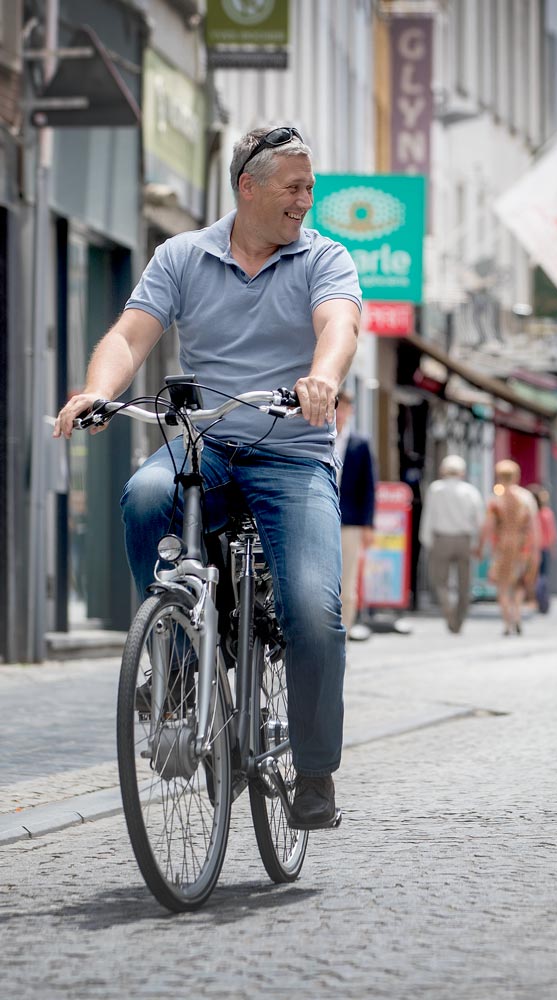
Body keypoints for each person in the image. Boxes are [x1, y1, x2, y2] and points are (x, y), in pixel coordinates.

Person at [53, 125, 362, 830]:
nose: (306, 201)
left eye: (310, 187)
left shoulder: (326, 258)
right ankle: (174, 652)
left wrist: (321, 378)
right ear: (248, 187)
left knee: (312, 609)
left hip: (292, 452)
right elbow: (132, 334)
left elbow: (337, 325)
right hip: (207, 446)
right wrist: (95, 391)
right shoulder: (182, 256)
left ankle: (315, 771)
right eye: (294, 187)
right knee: (144, 495)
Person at [419, 454, 485, 633]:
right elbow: (480, 520)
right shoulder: (470, 491)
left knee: (439, 581)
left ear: (443, 470)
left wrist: (426, 540)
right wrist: (478, 543)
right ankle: (459, 620)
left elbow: (428, 516)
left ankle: (448, 609)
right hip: (464, 539)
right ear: (462, 472)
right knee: (465, 583)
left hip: (441, 539)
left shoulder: (436, 489)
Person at [335, 388, 377, 641]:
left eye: (343, 408)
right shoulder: (319, 439)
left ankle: (344, 638)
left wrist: (368, 525)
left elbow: (368, 487)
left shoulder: (360, 444)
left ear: (350, 412)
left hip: (350, 522)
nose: (338, 413)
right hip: (322, 517)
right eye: (335, 407)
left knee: (347, 582)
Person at [481, 459, 538, 636]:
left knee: (503, 585)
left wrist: (481, 546)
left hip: (502, 546)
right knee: (519, 583)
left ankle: (507, 622)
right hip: (522, 546)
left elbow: (488, 526)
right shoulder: (525, 498)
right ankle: (518, 615)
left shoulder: (495, 500)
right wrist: (535, 550)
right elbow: (533, 526)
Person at [528, 483, 557, 614]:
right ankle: (542, 600)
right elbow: (552, 533)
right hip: (543, 548)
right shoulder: (546, 513)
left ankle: (534, 600)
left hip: (530, 548)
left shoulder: (530, 514)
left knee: (532, 575)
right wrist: (553, 547)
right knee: (543, 575)